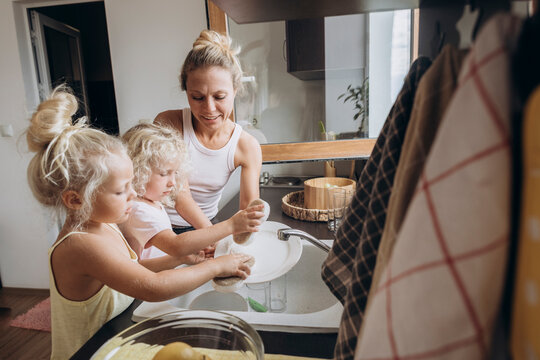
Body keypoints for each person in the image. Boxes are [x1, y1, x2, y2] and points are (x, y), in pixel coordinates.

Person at [26, 86, 253, 359]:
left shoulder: (104, 224)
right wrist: (217, 265)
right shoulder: (80, 244)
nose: (134, 194)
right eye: (122, 190)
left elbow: (132, 269)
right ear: (76, 200)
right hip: (88, 353)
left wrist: (180, 261)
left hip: (110, 343)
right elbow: (151, 287)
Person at [155, 29, 262, 234]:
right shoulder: (169, 123)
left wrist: (245, 229)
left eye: (220, 97)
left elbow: (247, 211)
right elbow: (180, 196)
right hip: (159, 228)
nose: (209, 108)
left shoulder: (246, 146)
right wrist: (214, 235)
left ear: (235, 91)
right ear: (186, 91)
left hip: (207, 226)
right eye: (198, 97)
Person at [119, 122, 264, 260]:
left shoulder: (150, 203)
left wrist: (184, 258)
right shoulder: (138, 210)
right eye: (164, 174)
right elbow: (175, 245)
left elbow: (148, 260)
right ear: (137, 171)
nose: (172, 183)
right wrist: (230, 225)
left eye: (175, 173)